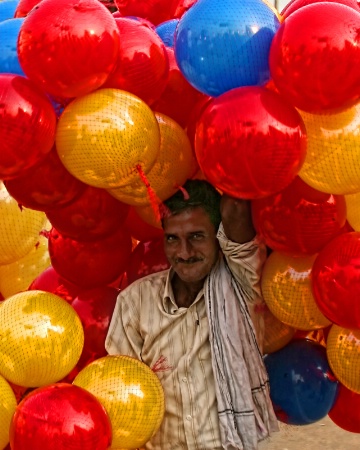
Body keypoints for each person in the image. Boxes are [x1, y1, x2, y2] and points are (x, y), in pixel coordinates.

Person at [105, 179, 278, 450]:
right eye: (173, 239)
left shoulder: (242, 284)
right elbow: (119, 397)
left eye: (197, 236)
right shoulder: (135, 302)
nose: (183, 253)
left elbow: (237, 204)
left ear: (218, 237)